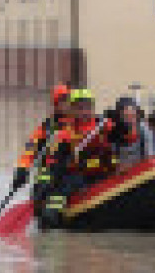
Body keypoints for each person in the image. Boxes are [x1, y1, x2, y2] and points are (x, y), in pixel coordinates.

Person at [38, 89, 118, 228]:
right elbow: (54, 161)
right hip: (76, 176)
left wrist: (118, 118)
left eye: (87, 107)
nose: (84, 111)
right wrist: (47, 182)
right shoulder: (64, 133)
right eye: (80, 107)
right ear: (72, 110)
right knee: (54, 201)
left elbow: (125, 133)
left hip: (104, 174)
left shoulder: (104, 125)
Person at [107, 96, 155, 168]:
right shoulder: (114, 134)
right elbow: (113, 159)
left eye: (132, 115)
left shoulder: (145, 132)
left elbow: (150, 159)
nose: (129, 120)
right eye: (125, 116)